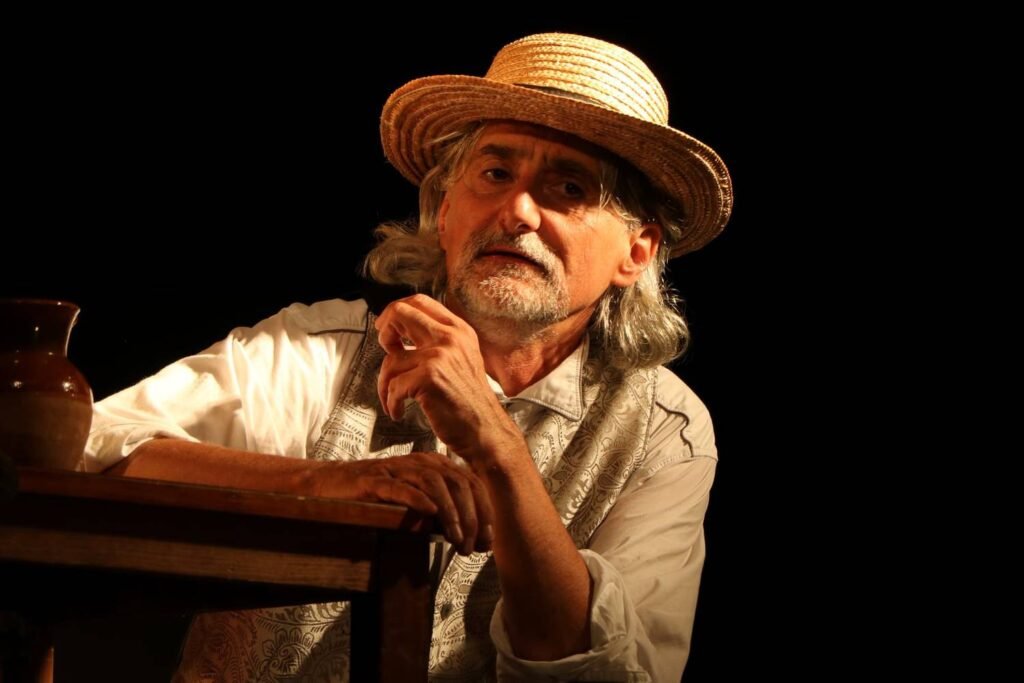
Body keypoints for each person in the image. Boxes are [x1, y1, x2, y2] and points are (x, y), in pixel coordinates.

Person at [85, 32, 732, 683]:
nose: (517, 210)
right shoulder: (321, 351)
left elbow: (613, 673)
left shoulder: (665, 431)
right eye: (495, 174)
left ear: (637, 252)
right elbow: (89, 449)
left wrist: (497, 445)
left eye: (568, 187)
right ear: (446, 212)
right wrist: (325, 486)